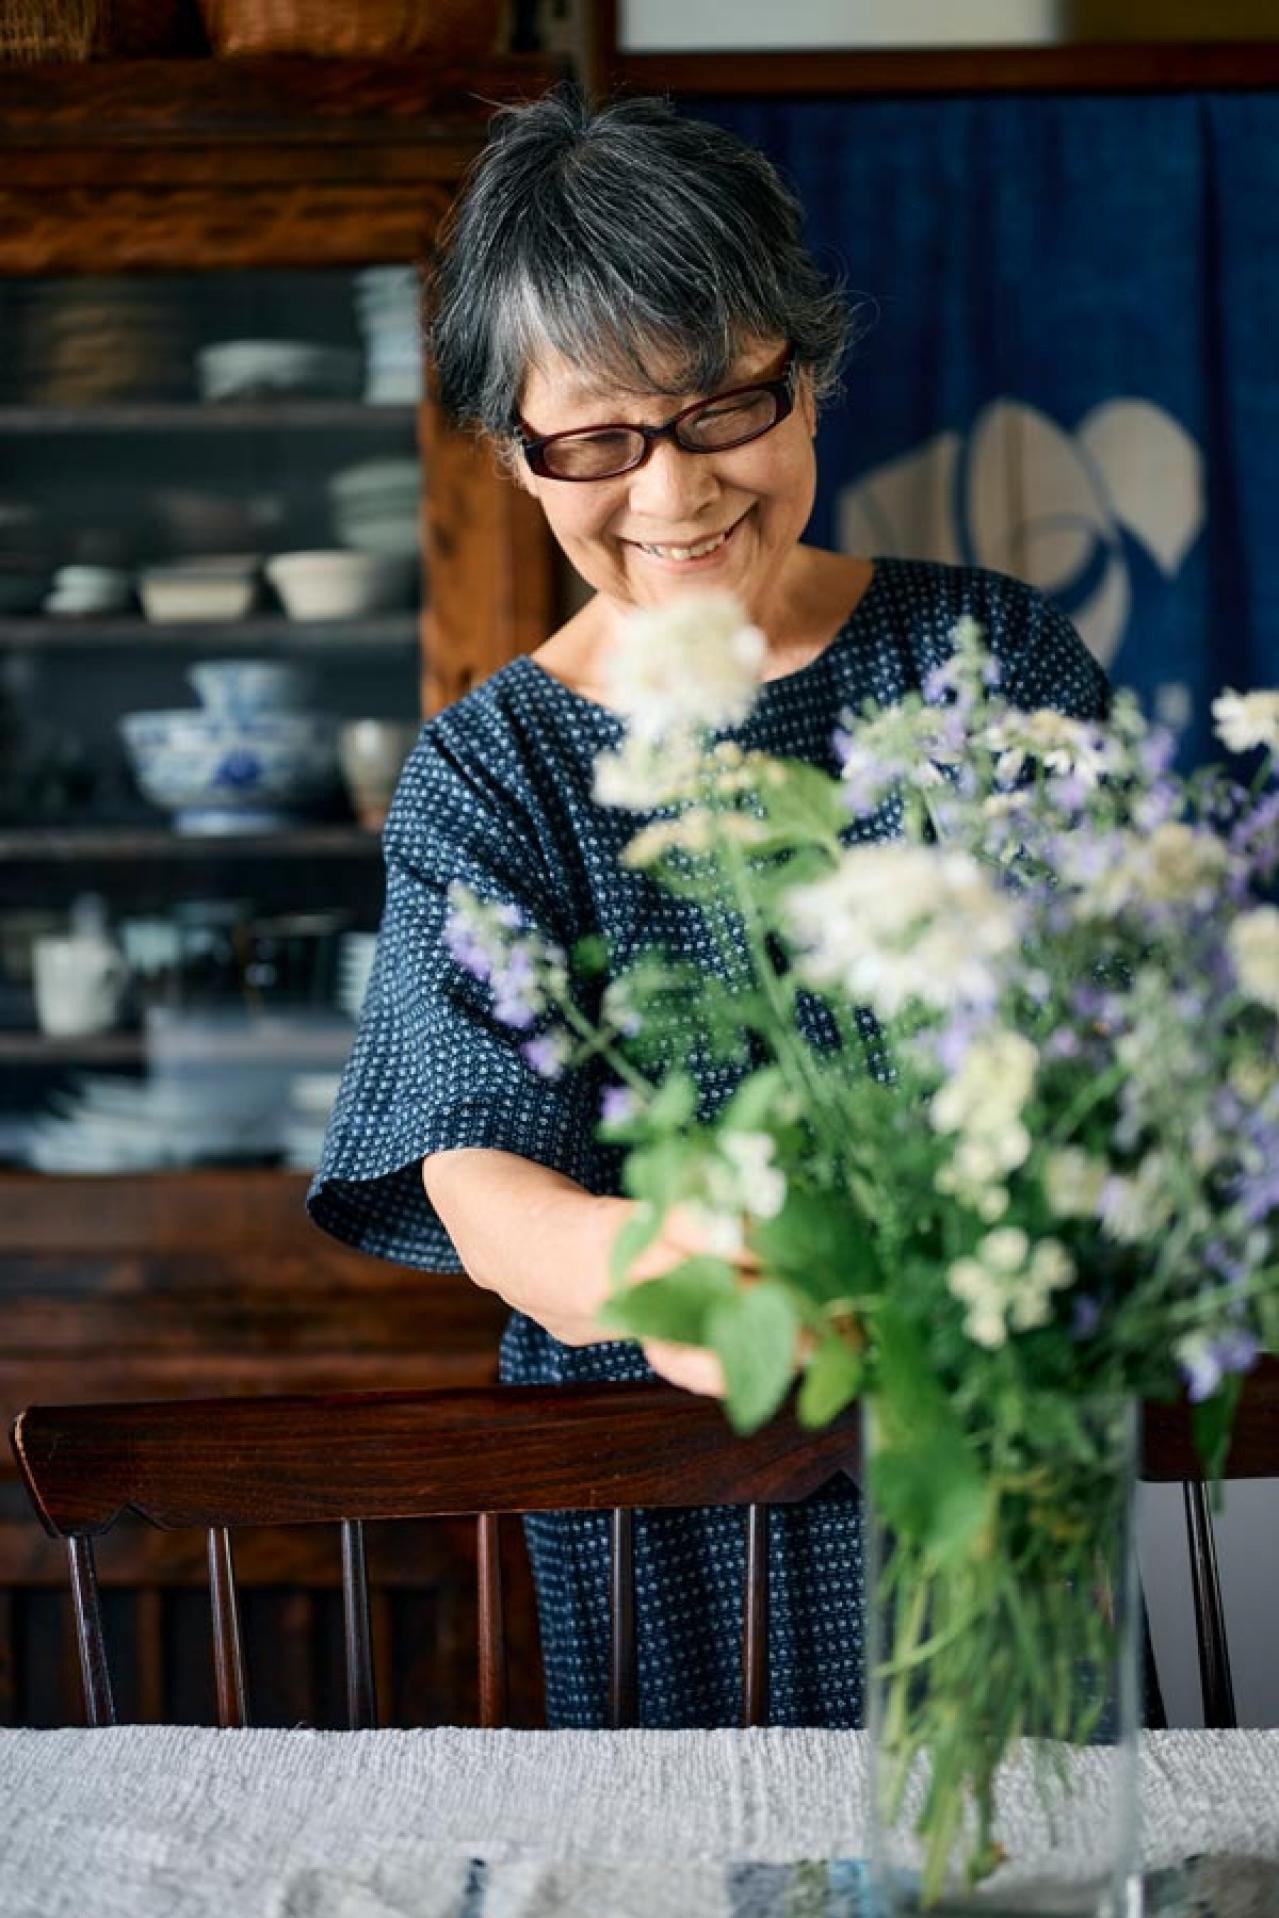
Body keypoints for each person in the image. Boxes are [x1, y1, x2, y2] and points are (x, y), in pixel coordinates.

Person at [308, 87, 1112, 1729]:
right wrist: (686, 1271)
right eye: (597, 440)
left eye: (722, 408)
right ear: (515, 455)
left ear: (805, 377)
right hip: (659, 1494)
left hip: (979, 1441)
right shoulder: (494, 770)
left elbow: (1103, 1055)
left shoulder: (985, 668)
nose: (670, 493)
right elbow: (472, 1176)